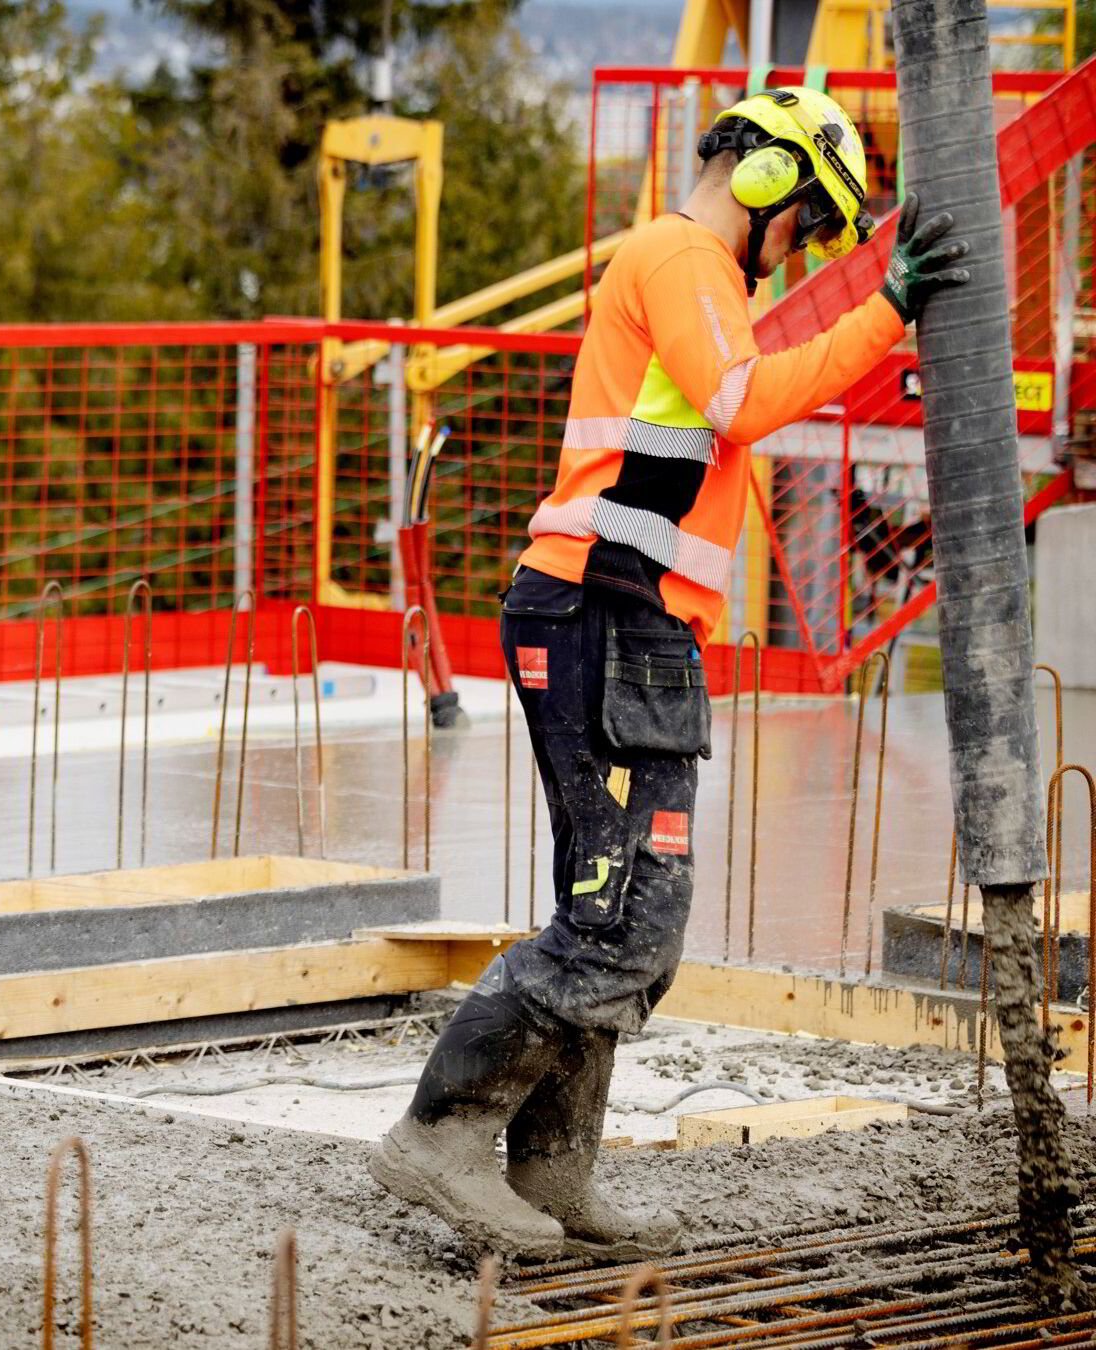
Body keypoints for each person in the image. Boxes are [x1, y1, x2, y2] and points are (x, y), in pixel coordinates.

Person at [368, 88, 970, 1257]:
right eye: (804, 221)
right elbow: (747, 403)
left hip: (638, 625)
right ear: (763, 181)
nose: (796, 247)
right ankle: (438, 1134)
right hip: (596, 608)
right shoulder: (682, 255)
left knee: (637, 911)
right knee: (614, 914)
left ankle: (551, 1169)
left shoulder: (701, 276)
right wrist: (886, 309)